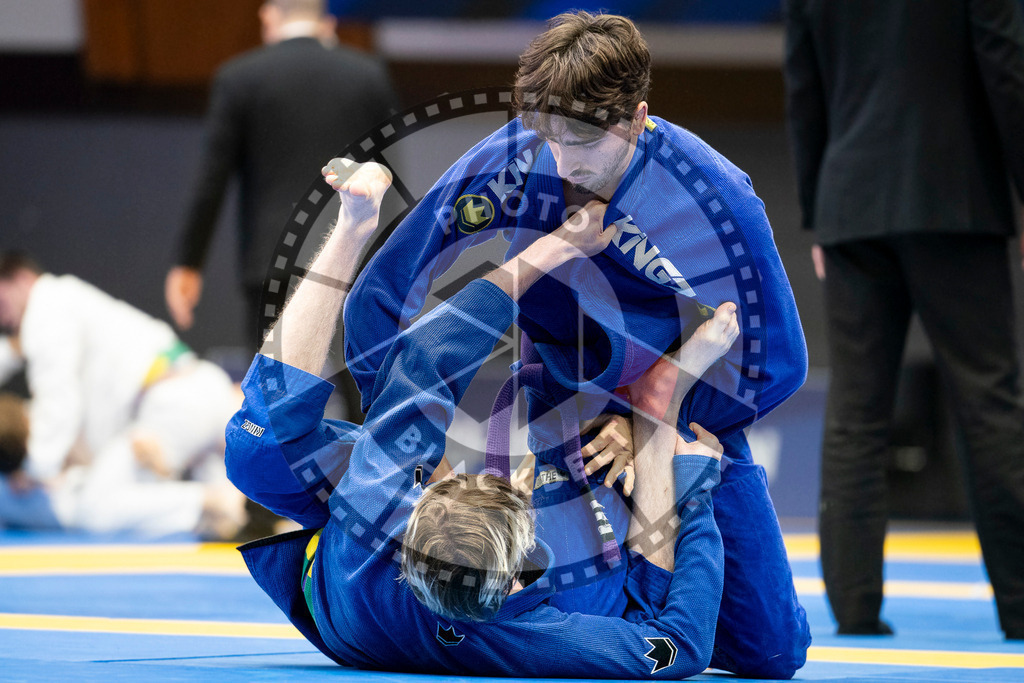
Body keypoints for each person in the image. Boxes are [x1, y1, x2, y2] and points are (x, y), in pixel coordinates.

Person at [340, 11, 809, 675]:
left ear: (638, 119)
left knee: (772, 653)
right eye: (550, 138)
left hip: (683, 399)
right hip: (561, 401)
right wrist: (401, 447)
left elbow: (781, 361)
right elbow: (382, 293)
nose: (563, 161)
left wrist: (654, 416)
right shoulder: (514, 159)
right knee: (563, 614)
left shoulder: (718, 199)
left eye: (584, 142)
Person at [228, 160, 805, 678]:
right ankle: (653, 405)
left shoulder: (373, 501)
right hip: (487, 568)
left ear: (415, 506)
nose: (511, 483)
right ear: (518, 580)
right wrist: (692, 483)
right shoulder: (535, 630)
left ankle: (351, 224)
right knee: (771, 653)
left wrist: (550, 249)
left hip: (350, 564)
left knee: (259, 450)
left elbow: (433, 355)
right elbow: (674, 643)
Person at [783, 0, 1024, 639]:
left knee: (857, 409)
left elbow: (803, 90)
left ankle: (855, 606)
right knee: (989, 400)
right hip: (957, 197)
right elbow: (1008, 71)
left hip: (850, 202)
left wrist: (818, 211)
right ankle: (1022, 603)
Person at [165, 0, 398, 347]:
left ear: (271, 14)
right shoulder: (368, 75)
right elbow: (386, 175)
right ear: (326, 21)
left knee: (272, 393)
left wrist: (188, 263)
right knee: (363, 390)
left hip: (273, 258)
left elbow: (210, 182)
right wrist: (392, 262)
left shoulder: (238, 77)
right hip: (352, 257)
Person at [0, 253, 246, 538]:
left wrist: (34, 470)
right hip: (190, 396)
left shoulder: (44, 310)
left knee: (93, 507)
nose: (2, 315)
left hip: (173, 406)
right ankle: (226, 502)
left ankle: (212, 500)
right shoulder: (64, 301)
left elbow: (59, 403)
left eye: (2, 303)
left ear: (21, 279)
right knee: (224, 530)